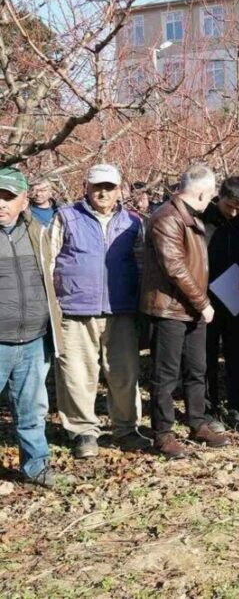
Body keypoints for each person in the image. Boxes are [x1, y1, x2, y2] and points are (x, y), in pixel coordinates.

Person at [51, 163, 149, 458]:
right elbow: (49, 261)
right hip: (75, 309)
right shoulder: (66, 217)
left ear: (120, 190)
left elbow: (143, 265)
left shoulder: (134, 223)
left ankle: (127, 429)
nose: (103, 192)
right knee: (78, 375)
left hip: (121, 310)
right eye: (97, 186)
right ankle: (83, 432)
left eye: (109, 187)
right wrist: (53, 305)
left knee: (124, 373)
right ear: (86, 187)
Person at [141, 164, 228, 458]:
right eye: (212, 194)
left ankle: (197, 421)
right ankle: (162, 433)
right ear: (203, 192)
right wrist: (203, 303)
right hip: (170, 309)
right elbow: (175, 267)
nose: (213, 199)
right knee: (166, 375)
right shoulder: (167, 218)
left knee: (196, 369)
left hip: (190, 308)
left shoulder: (190, 217)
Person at [0, 167, 73, 487]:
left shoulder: (37, 233)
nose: (1, 203)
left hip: (33, 339)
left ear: (23, 201)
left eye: (8, 197)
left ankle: (36, 468)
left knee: (32, 411)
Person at [202, 176, 239, 432]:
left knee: (236, 354)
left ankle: (237, 405)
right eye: (229, 206)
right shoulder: (202, 218)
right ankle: (209, 406)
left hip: (238, 297)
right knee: (207, 355)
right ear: (218, 196)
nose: (233, 212)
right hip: (206, 299)